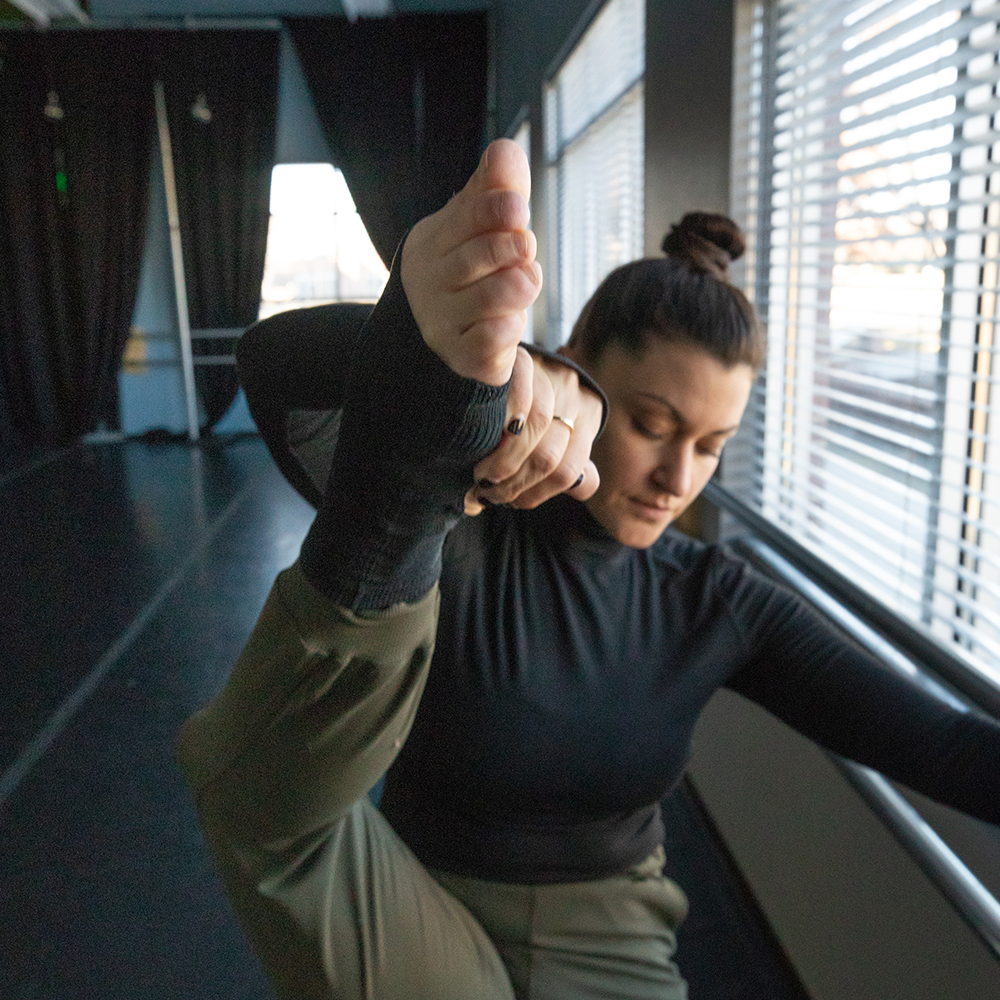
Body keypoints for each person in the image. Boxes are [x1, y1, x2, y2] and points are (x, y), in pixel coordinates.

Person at [177, 139, 1000, 1000]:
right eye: (652, 424)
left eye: (710, 447)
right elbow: (276, 365)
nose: (678, 479)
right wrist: (497, 385)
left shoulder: (717, 600)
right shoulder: (464, 514)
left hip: (610, 931)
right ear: (583, 366)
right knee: (263, 806)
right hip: (409, 896)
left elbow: (938, 742)